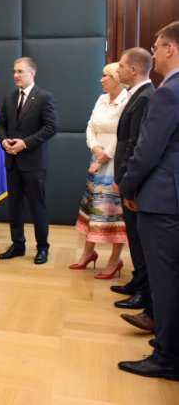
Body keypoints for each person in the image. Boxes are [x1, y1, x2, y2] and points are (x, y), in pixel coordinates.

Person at [118, 21, 179, 381]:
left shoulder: (168, 92)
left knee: (164, 280)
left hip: (161, 200)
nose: (154, 54)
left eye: (156, 48)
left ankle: (167, 356)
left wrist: (127, 187)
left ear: (170, 48)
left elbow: (146, 151)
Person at [0, 57, 58, 264]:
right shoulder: (9, 98)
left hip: (34, 163)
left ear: (32, 73)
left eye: (20, 71)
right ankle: (18, 245)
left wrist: (26, 143)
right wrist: (4, 140)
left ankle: (42, 248)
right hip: (12, 161)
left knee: (37, 207)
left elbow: (51, 127)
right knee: (15, 206)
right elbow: (0, 125)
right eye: (14, 71)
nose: (15, 75)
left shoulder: (44, 97)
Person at [70, 63, 128, 278]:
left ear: (116, 78)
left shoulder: (127, 100)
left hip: (114, 163)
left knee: (114, 212)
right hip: (96, 159)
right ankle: (88, 253)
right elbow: (90, 127)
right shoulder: (101, 99)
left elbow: (123, 134)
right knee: (93, 208)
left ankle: (115, 260)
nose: (101, 79)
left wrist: (103, 158)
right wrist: (94, 147)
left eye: (105, 76)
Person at [112, 47, 155, 329]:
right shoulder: (136, 94)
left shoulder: (146, 97)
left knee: (140, 242)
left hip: (133, 181)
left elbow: (135, 143)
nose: (117, 70)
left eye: (121, 66)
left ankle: (143, 292)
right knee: (134, 238)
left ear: (134, 69)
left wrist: (125, 181)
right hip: (127, 177)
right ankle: (137, 283)